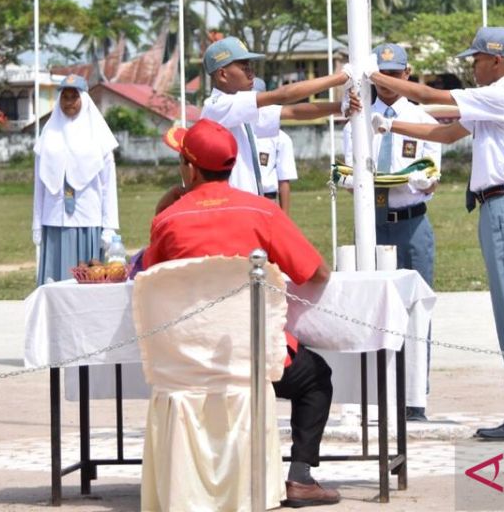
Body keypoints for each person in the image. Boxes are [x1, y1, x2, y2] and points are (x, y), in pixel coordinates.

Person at [144, 119, 341, 507]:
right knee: (316, 378)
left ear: (189, 168)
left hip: (185, 363)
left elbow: (149, 277)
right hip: (251, 360)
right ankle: (300, 477)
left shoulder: (168, 220)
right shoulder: (261, 211)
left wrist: (160, 210)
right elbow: (317, 273)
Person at [367, 26, 504, 441]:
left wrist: (376, 76)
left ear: (497, 61)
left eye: (477, 59)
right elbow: (446, 133)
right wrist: (390, 127)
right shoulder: (493, 102)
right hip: (497, 207)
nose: (473, 66)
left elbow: (434, 98)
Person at [343, 43, 441, 422]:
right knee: (369, 308)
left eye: (394, 74)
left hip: (411, 220)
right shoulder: (358, 117)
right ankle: (371, 394)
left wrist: (421, 180)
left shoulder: (420, 116)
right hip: (372, 223)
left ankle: (415, 396)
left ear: (407, 73)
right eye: (379, 77)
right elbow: (350, 167)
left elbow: (432, 174)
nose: (386, 83)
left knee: (416, 308)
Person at [199, 36, 355, 197]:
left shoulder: (239, 107)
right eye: (244, 67)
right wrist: (341, 78)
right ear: (223, 75)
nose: (251, 73)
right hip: (231, 206)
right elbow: (282, 95)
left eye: (251, 67)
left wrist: (341, 107)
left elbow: (292, 112)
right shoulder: (216, 105)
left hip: (248, 202)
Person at [31, 75, 120, 283]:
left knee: (87, 280)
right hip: (54, 221)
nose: (69, 102)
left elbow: (108, 186)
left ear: (84, 99)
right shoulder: (48, 137)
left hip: (88, 221)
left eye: (74, 96)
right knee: (56, 283)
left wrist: (109, 227)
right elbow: (39, 186)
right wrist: (36, 224)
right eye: (65, 97)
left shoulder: (99, 138)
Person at [252, 78, 299, 213]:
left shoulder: (281, 138)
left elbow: (284, 180)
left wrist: (284, 218)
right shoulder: (234, 132)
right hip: (241, 200)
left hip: (267, 201)